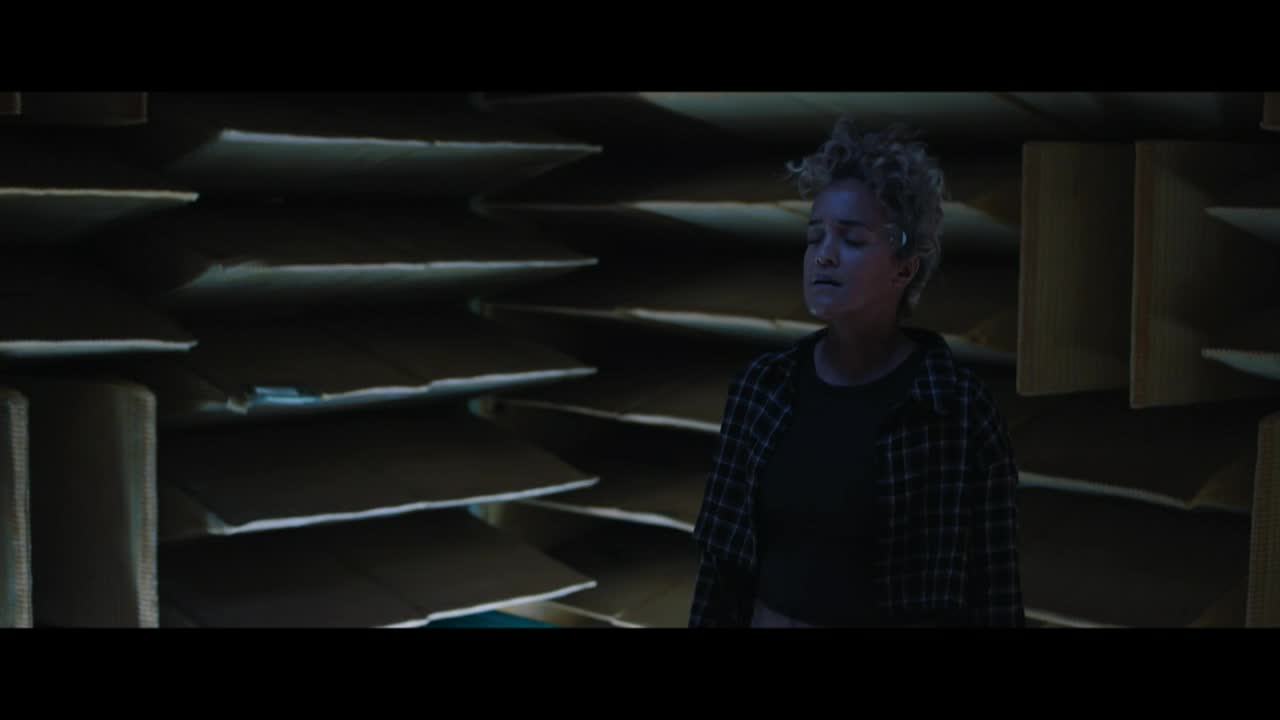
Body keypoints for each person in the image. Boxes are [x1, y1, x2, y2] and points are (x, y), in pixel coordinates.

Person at [689, 117, 1024, 628]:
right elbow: (720, 571)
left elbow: (995, 591)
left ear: (904, 267)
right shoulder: (761, 388)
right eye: (814, 236)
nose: (823, 255)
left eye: (851, 239)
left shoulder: (957, 410)